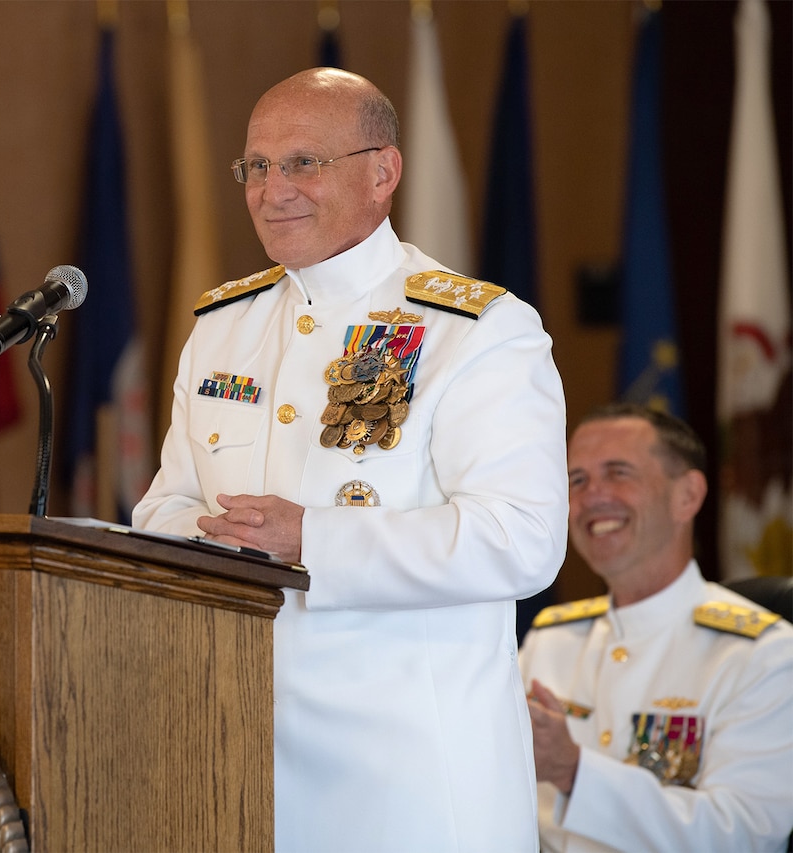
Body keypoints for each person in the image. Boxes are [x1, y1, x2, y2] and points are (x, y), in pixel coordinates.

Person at [133, 67, 568, 850]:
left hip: (409, 788)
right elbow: (168, 505)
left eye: (303, 162)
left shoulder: (475, 330)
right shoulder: (222, 327)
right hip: (236, 763)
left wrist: (316, 540)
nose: (274, 189)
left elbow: (521, 539)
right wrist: (204, 536)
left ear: (382, 172)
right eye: (256, 167)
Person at [520, 404, 793, 852]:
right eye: (577, 480)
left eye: (618, 473)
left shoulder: (761, 655)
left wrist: (573, 771)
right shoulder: (549, 639)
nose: (591, 498)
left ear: (687, 495)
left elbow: (743, 835)